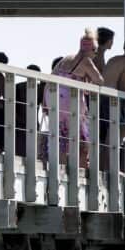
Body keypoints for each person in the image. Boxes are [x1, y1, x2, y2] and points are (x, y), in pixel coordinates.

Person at [44, 29, 103, 167]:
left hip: (54, 98)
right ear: (91, 49)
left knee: (62, 139)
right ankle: (80, 171)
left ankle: (60, 168)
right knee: (82, 141)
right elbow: (100, 80)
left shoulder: (66, 59)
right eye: (95, 51)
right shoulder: (86, 61)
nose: (96, 54)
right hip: (71, 102)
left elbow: (49, 79)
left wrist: (45, 102)